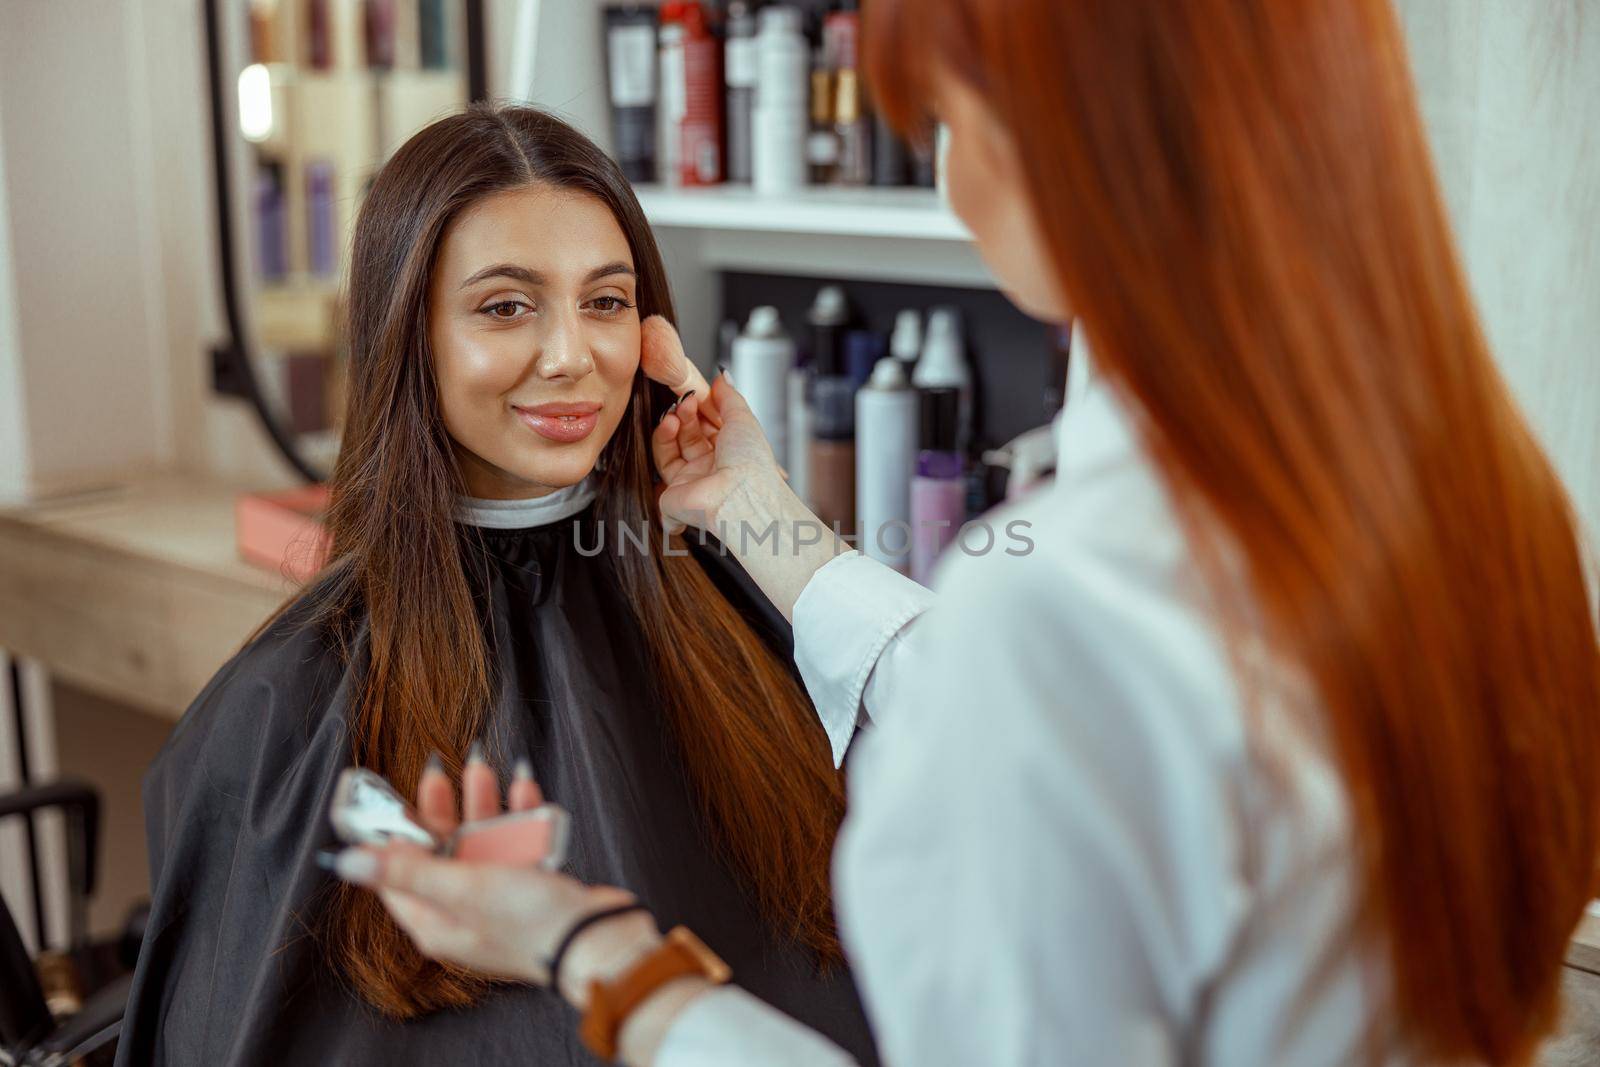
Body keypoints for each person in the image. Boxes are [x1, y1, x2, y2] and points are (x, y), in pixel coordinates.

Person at [333, 1, 1600, 1065]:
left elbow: (1047, 701)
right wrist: (758, 515)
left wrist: (594, 952)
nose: (570, 353)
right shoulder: (1484, 494)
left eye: (941, 115)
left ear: (1050, 144)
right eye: (504, 304)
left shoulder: (1068, 608)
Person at [115, 106, 878, 1066]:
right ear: (408, 333)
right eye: (506, 305)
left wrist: (763, 512)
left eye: (605, 301)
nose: (570, 356)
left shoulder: (744, 605)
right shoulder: (291, 701)